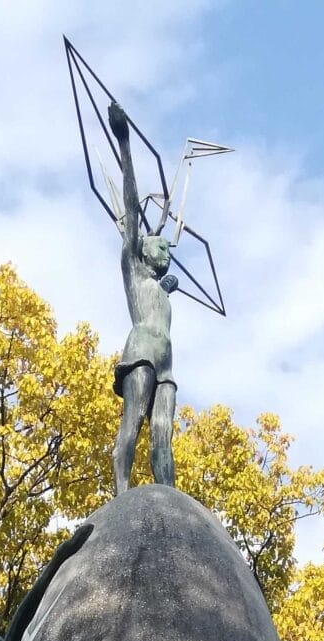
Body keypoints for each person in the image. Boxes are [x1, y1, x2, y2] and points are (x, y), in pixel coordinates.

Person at [106, 99, 179, 494]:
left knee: (164, 435)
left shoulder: (158, 286)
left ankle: (169, 504)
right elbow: (133, 211)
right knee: (132, 421)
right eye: (160, 246)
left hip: (167, 359)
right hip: (143, 351)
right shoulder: (133, 269)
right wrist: (125, 143)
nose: (167, 251)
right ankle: (122, 495)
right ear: (143, 251)